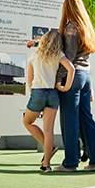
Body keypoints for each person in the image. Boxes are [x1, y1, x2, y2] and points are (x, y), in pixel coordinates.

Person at [26, 0, 95, 172]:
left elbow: (68, 55)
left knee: (69, 120)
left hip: (73, 78)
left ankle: (70, 163)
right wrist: (37, 43)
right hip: (85, 76)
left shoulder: (70, 27)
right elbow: (61, 43)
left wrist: (58, 79)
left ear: (67, 8)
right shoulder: (86, 27)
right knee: (86, 119)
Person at [23, 30, 74, 171]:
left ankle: (49, 147)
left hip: (38, 92)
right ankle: (46, 165)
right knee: (49, 130)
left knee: (27, 122)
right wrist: (66, 87)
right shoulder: (58, 54)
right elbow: (71, 69)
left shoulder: (34, 55)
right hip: (53, 93)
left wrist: (33, 94)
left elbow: (30, 80)